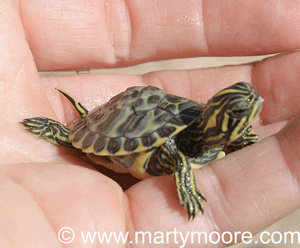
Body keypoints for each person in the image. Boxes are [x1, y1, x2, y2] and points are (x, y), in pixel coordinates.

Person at [0, 1, 299, 247]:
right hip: (137, 129)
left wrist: (240, 139)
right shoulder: (185, 151)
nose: (254, 105)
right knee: (81, 145)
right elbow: (179, 158)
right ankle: (64, 132)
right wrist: (187, 187)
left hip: (172, 122)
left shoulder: (212, 135)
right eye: (240, 110)